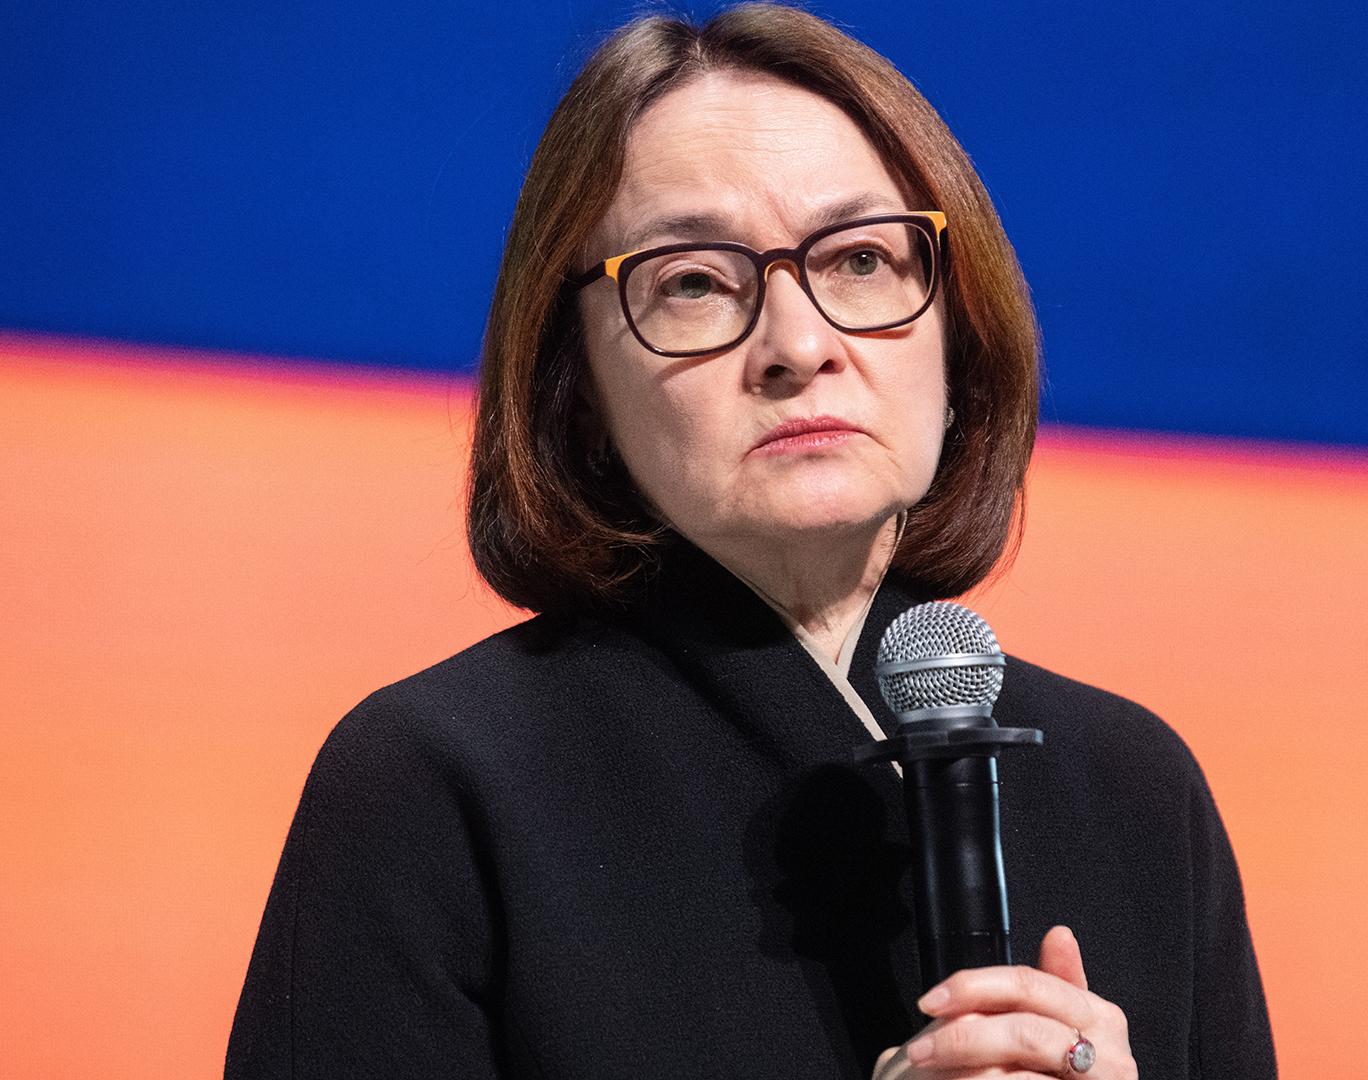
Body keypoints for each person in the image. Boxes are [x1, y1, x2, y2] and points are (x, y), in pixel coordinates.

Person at [225, 5, 1276, 1078]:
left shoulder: (1133, 789)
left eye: (861, 259)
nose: (799, 344)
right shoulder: (434, 782)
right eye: (692, 281)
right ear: (575, 388)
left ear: (957, 338)